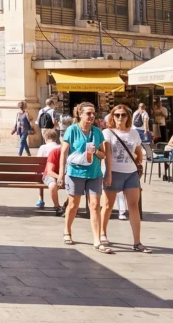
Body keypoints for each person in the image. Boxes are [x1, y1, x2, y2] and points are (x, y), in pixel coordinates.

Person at [58, 102, 112, 253]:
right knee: (73, 205)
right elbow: (64, 152)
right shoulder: (72, 130)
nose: (92, 116)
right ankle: (67, 230)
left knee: (94, 205)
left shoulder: (97, 132)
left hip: (94, 173)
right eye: (88, 113)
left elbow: (103, 154)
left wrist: (96, 152)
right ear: (80, 114)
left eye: (93, 113)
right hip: (75, 173)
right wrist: (61, 173)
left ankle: (96, 240)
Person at [100, 105, 151, 253]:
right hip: (114, 172)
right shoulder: (107, 132)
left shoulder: (133, 133)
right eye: (117, 115)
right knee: (108, 205)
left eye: (123, 115)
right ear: (112, 116)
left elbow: (138, 150)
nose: (120, 117)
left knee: (133, 206)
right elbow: (107, 154)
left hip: (131, 173)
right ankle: (102, 234)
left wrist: (139, 162)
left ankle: (137, 242)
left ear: (128, 117)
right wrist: (108, 174)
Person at [36, 129, 63, 215]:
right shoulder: (58, 148)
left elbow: (38, 161)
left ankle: (40, 198)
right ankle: (58, 206)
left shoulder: (42, 147)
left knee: (39, 174)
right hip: (52, 172)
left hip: (45, 173)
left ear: (46, 138)